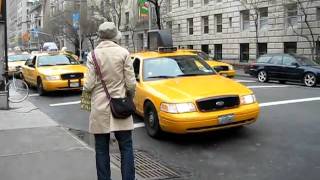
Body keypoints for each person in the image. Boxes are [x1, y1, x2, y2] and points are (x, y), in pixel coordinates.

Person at [83, 22, 136, 180]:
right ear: (115, 36)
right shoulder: (124, 53)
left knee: (101, 150)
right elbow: (131, 84)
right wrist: (129, 98)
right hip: (120, 106)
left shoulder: (93, 55)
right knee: (126, 147)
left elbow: (88, 85)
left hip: (100, 108)